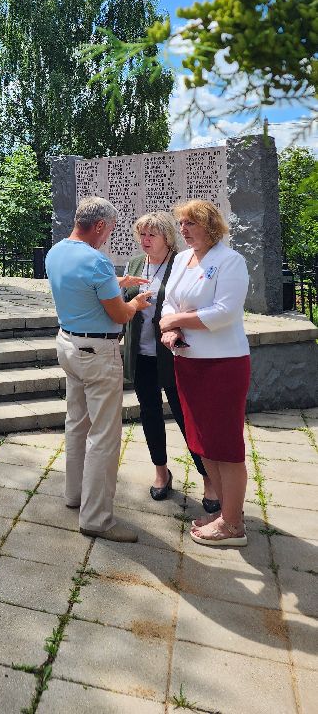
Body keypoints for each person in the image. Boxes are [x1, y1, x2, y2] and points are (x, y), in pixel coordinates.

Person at [45, 196, 153, 543]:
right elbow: (119, 314)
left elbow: (82, 290)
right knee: (104, 435)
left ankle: (74, 495)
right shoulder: (97, 261)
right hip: (97, 353)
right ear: (101, 226)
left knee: (76, 423)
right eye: (111, 230)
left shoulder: (56, 252)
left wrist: (116, 284)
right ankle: (97, 519)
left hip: (67, 344)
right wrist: (135, 302)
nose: (109, 237)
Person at [160, 199, 251, 548]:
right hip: (187, 360)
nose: (183, 230)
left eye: (190, 223)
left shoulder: (230, 261)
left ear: (210, 226)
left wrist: (176, 320)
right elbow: (169, 301)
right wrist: (171, 328)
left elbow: (225, 312)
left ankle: (233, 525)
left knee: (226, 445)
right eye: (181, 223)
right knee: (203, 442)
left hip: (222, 364)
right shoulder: (182, 259)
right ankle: (227, 513)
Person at [122, 212, 218, 510]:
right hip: (141, 354)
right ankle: (161, 472)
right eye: (141, 234)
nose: (145, 240)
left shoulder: (181, 263)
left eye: (151, 234)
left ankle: (208, 479)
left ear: (167, 237)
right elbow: (124, 301)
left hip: (174, 354)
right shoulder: (135, 264)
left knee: (186, 416)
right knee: (150, 413)